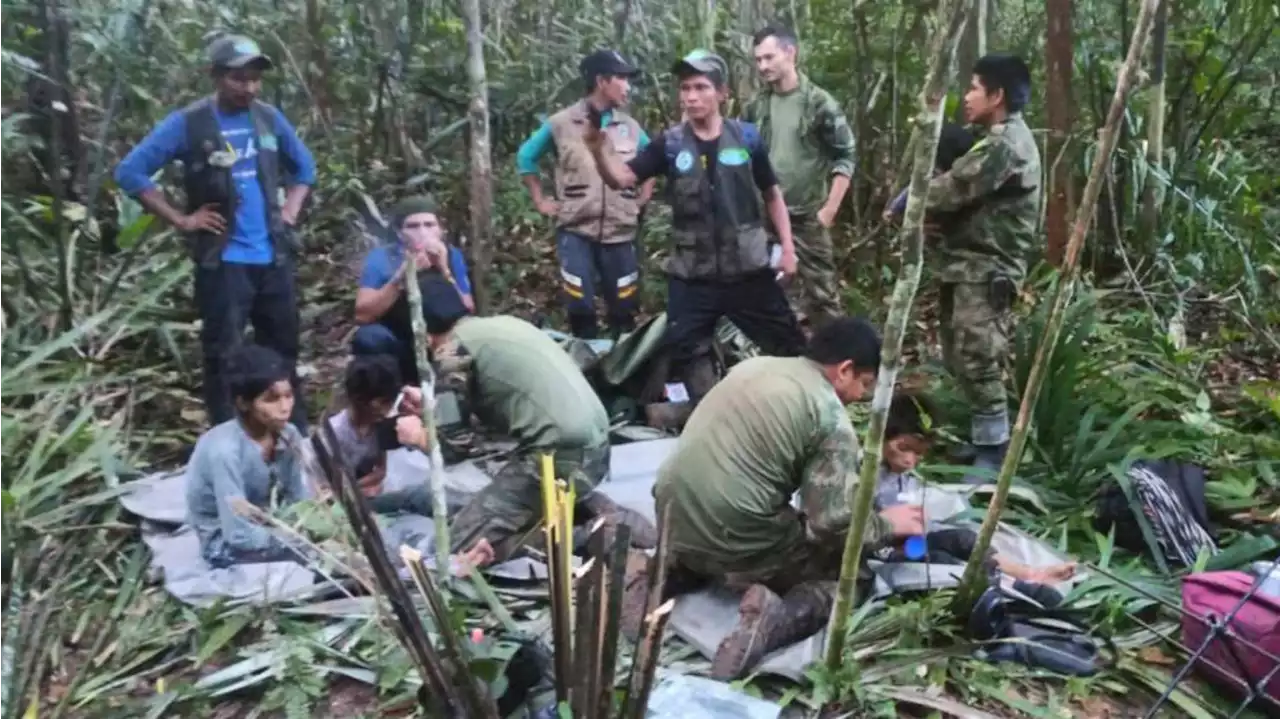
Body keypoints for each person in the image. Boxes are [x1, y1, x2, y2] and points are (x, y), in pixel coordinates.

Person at [624, 318, 926, 680]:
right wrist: (888, 523)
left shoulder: (754, 367)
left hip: (672, 510)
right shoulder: (829, 417)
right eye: (864, 384)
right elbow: (830, 524)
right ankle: (774, 621)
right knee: (852, 580)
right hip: (735, 530)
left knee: (722, 527)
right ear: (844, 369)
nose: (860, 397)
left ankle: (658, 576)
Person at [114, 34, 315, 431]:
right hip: (224, 262)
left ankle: (294, 432)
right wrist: (182, 219)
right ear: (216, 76)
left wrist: (289, 211)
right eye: (239, 79)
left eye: (255, 79)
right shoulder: (189, 123)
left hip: (272, 255)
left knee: (283, 347)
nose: (249, 88)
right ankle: (230, 436)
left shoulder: (268, 118)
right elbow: (130, 172)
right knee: (224, 353)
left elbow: (304, 169)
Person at [585, 49, 807, 406]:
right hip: (693, 275)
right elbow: (621, 178)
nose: (690, 96)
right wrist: (597, 149)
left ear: (722, 93)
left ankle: (799, 411)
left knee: (789, 345)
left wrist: (788, 249)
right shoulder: (669, 145)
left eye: (701, 87)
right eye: (685, 88)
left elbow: (772, 194)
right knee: (687, 350)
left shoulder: (747, 138)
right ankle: (711, 414)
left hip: (747, 270)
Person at [389, 272, 659, 563]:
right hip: (594, 448)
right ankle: (596, 511)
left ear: (423, 335)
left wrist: (417, 435)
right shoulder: (501, 326)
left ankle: (592, 535)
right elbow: (501, 409)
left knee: (457, 546)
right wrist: (434, 409)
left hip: (557, 458)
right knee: (512, 499)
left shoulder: (452, 352)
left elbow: (455, 447)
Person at [885, 53, 1041, 483]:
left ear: (998, 95)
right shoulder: (986, 136)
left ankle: (994, 452)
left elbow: (953, 188)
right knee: (958, 352)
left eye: (974, 88)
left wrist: (906, 204)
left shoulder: (1005, 145)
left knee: (979, 356)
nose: (966, 96)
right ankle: (983, 436)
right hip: (966, 263)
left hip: (988, 268)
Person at [518, 49, 657, 340]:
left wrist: (642, 197)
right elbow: (526, 158)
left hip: (620, 232)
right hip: (576, 229)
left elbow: (652, 160)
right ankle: (585, 364)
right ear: (601, 81)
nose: (627, 86)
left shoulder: (630, 127)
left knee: (624, 305)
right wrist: (540, 200)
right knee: (580, 304)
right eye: (621, 78)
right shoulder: (561, 123)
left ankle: (622, 368)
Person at [874, 394, 1077, 582]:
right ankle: (1007, 586)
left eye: (919, 454)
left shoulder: (899, 476)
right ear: (880, 435)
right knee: (938, 559)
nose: (910, 460)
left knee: (963, 539)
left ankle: (1027, 574)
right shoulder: (863, 475)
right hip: (881, 552)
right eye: (904, 448)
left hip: (908, 543)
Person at [745, 24, 856, 330]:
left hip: (808, 217)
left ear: (790, 52)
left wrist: (829, 211)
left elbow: (845, 155)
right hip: (765, 218)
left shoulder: (819, 103)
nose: (763, 66)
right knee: (770, 294)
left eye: (769, 57)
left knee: (822, 297)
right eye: (758, 60)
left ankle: (835, 364)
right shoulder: (756, 106)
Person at [186, 344, 309, 567]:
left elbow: (298, 498)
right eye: (271, 399)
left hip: (272, 524)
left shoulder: (289, 434)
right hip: (225, 542)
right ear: (243, 403)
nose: (285, 408)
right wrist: (294, 540)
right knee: (313, 562)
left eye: (289, 396)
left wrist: (307, 524)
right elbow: (238, 534)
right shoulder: (225, 451)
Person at [353, 195, 474, 384]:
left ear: (440, 230)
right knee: (369, 338)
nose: (422, 231)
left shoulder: (451, 254)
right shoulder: (382, 258)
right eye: (413, 226)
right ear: (400, 233)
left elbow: (468, 308)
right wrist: (401, 277)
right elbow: (362, 315)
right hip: (400, 339)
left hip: (443, 342)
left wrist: (444, 270)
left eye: (429, 225)